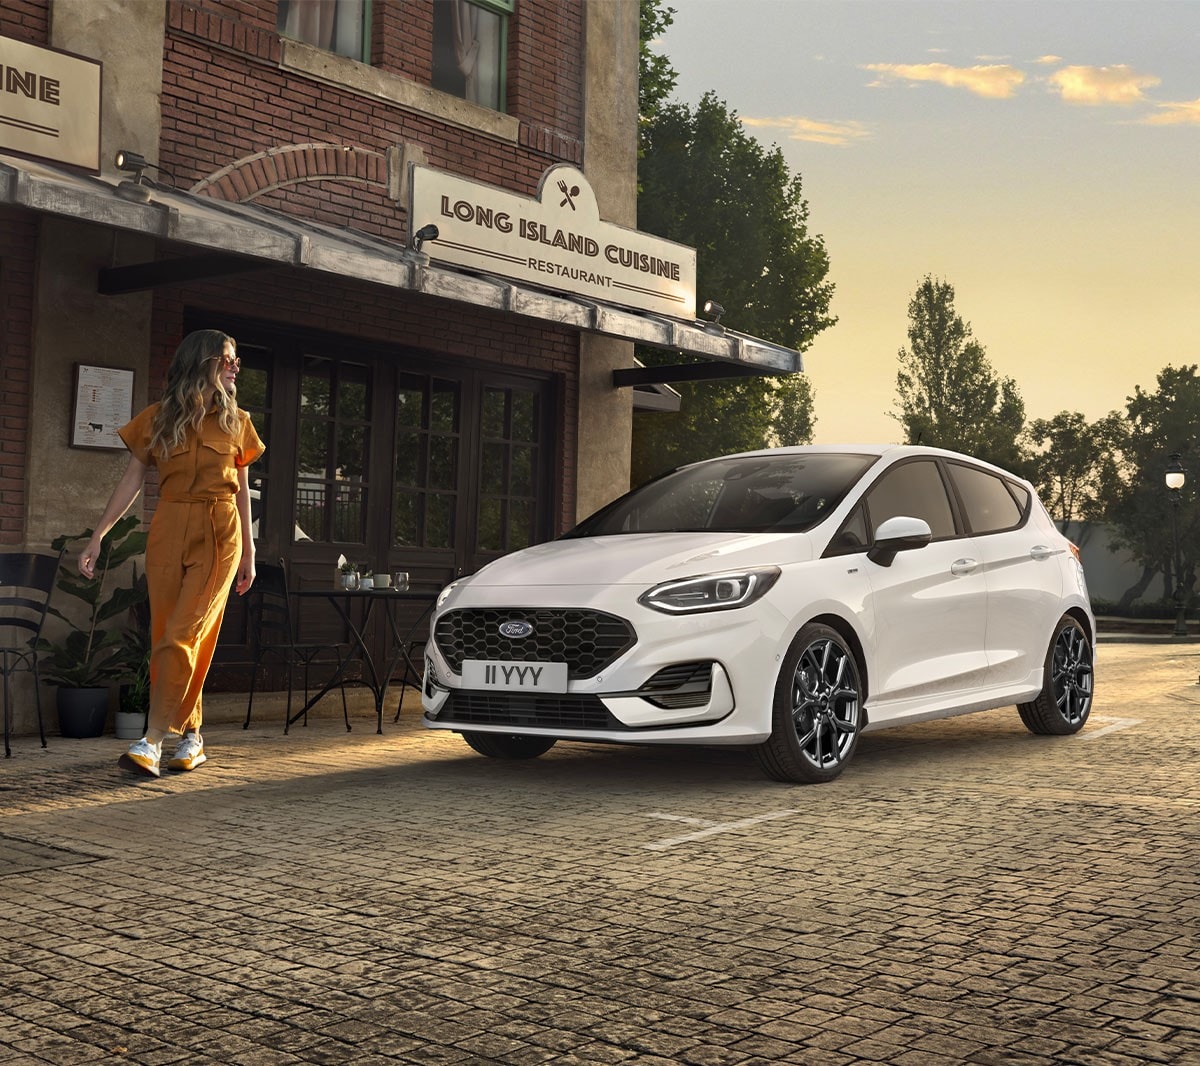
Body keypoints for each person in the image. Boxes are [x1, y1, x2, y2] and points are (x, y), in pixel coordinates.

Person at [79, 330, 265, 777]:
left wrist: (250, 553)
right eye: (227, 358)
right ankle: (192, 737)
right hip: (167, 528)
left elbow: (242, 492)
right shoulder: (158, 418)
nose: (235, 366)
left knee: (182, 633)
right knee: (171, 636)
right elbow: (130, 482)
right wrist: (98, 534)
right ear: (202, 362)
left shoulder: (237, 421)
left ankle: (152, 740)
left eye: (236, 360)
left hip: (220, 531)